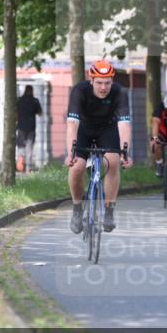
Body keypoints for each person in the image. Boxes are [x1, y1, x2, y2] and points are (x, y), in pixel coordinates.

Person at [65, 60, 133, 233]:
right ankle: (77, 209)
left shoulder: (119, 92)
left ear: (112, 81)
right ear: (91, 79)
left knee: (113, 161)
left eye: (107, 83)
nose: (103, 87)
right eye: (99, 83)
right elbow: (72, 124)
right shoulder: (79, 91)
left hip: (107, 130)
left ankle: (109, 211)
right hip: (84, 130)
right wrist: (70, 153)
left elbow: (124, 125)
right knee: (77, 167)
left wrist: (125, 152)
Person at [15, 85, 43, 172]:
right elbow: (40, 113)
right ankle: (28, 168)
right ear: (32, 91)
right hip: (31, 128)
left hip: (20, 127)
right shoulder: (35, 101)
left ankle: (20, 162)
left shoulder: (19, 100)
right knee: (29, 148)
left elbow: (15, 113)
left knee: (20, 146)